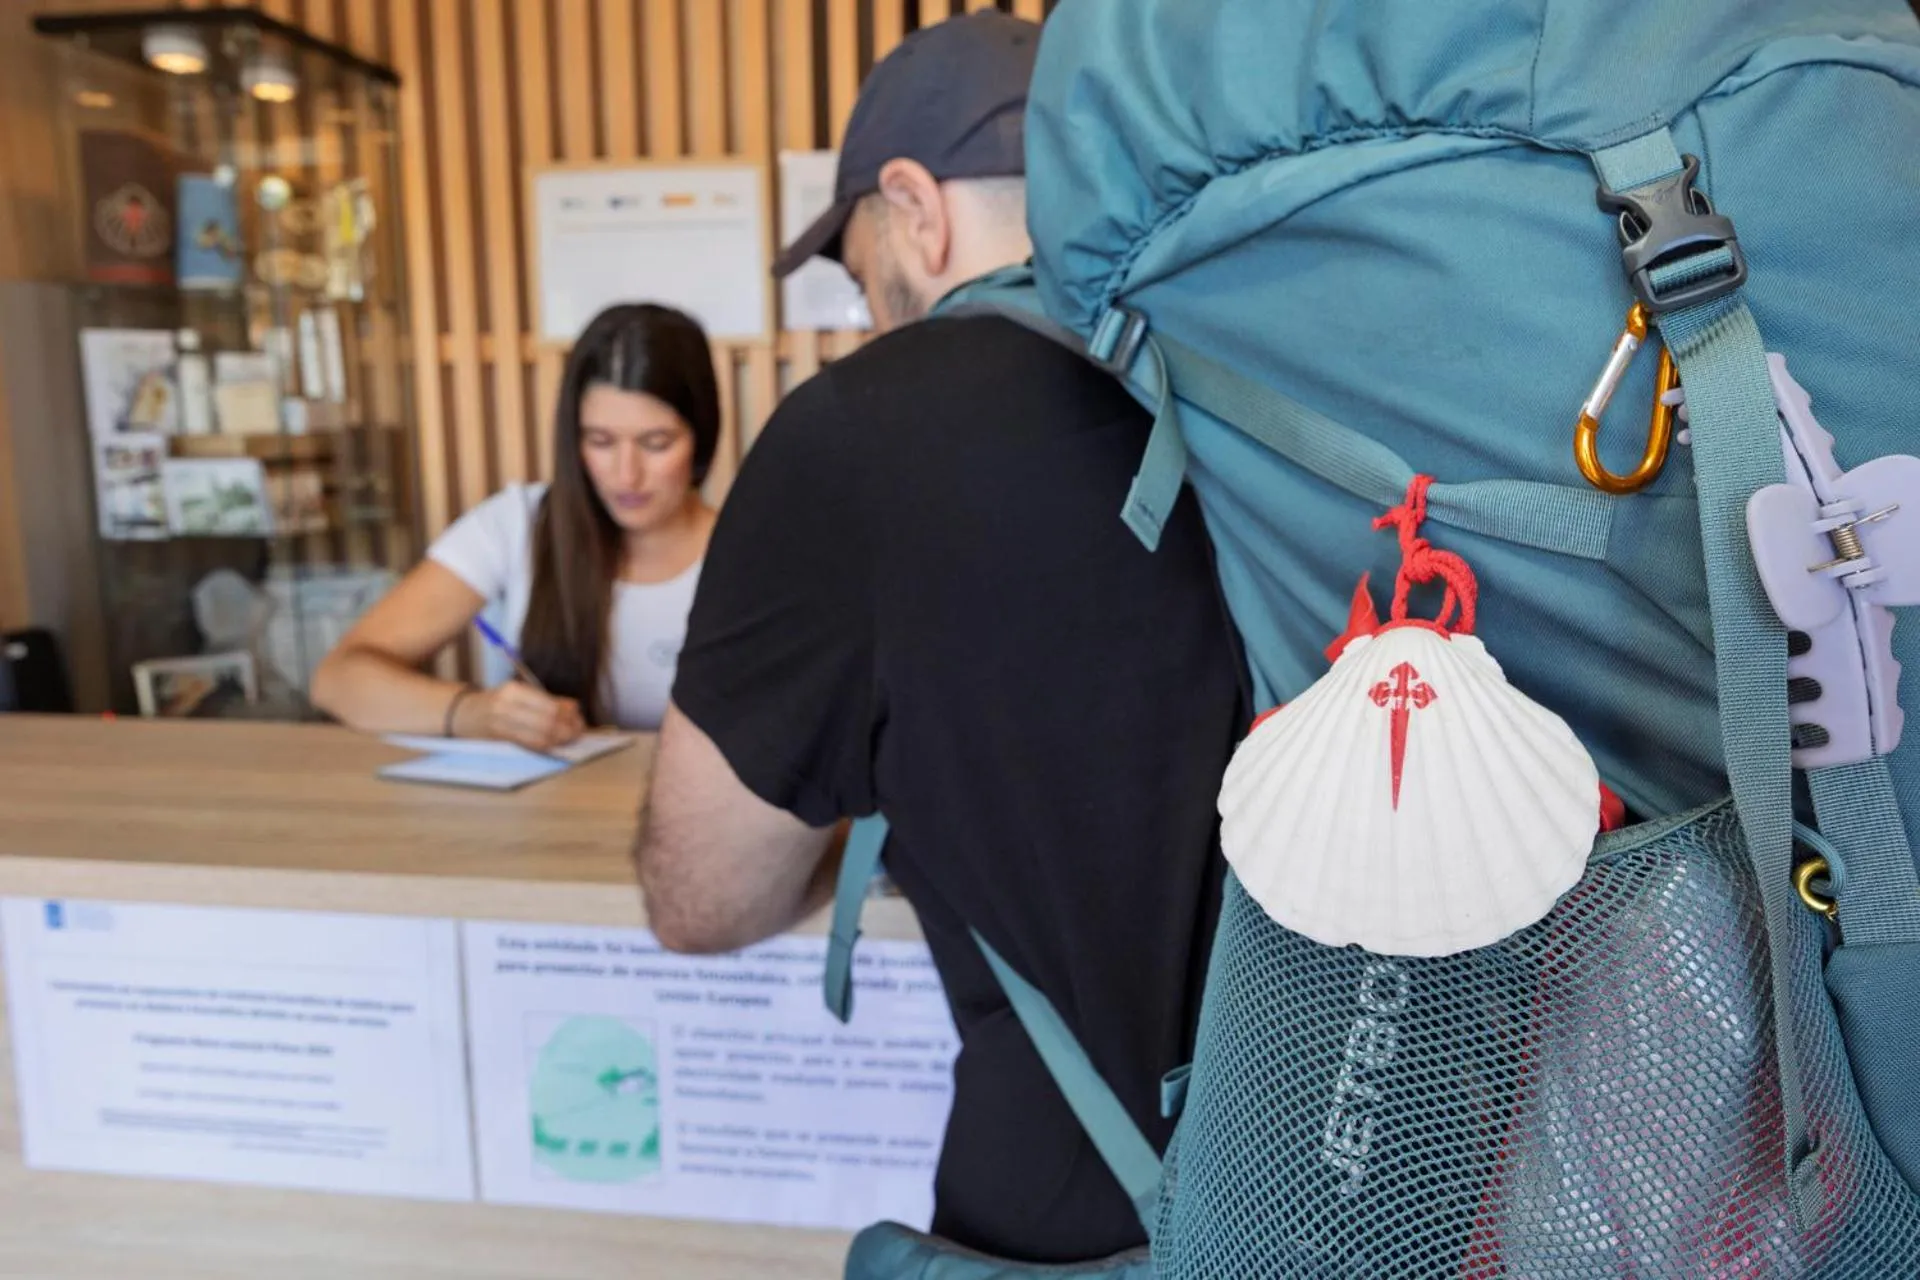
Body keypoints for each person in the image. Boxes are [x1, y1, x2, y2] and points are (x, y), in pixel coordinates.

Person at [635, 12, 1245, 1266]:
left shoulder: (857, 440)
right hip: (1372, 1166)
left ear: (916, 208)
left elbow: (703, 894)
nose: (873, 325)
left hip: (1069, 1225)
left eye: (864, 283)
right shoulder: (1266, 374)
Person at [312, 303, 719, 747]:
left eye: (655, 443)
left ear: (701, 437)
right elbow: (339, 677)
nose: (626, 475)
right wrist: (470, 712)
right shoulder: (515, 526)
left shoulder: (752, 552)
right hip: (546, 810)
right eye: (600, 441)